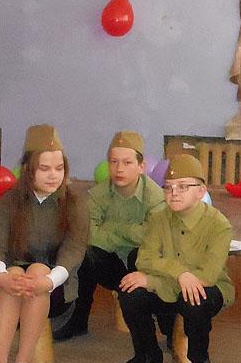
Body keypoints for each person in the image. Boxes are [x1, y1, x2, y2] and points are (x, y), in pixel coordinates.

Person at [0, 124, 88, 363]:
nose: (53, 175)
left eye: (59, 168)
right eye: (44, 168)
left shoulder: (74, 203)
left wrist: (49, 280)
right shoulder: (9, 201)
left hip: (56, 285)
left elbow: (74, 249)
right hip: (12, 281)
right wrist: (1, 276)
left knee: (39, 271)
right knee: (15, 274)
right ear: (29, 169)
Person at [116, 154, 234, 363]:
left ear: (201, 191)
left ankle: (199, 359)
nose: (174, 193)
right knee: (131, 292)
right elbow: (144, 259)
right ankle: (147, 354)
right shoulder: (158, 218)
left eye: (183, 186)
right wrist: (180, 273)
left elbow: (207, 275)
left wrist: (155, 280)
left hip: (208, 288)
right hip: (170, 286)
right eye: (168, 187)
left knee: (195, 299)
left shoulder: (219, 225)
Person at [54, 131, 165, 341]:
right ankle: (78, 320)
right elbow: (87, 233)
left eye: (127, 162)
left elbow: (151, 237)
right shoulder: (97, 194)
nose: (119, 169)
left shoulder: (156, 198)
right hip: (112, 265)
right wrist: (130, 232)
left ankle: (160, 326)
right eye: (114, 162)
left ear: (141, 166)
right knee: (87, 255)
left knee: (140, 254)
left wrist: (112, 229)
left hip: (142, 266)